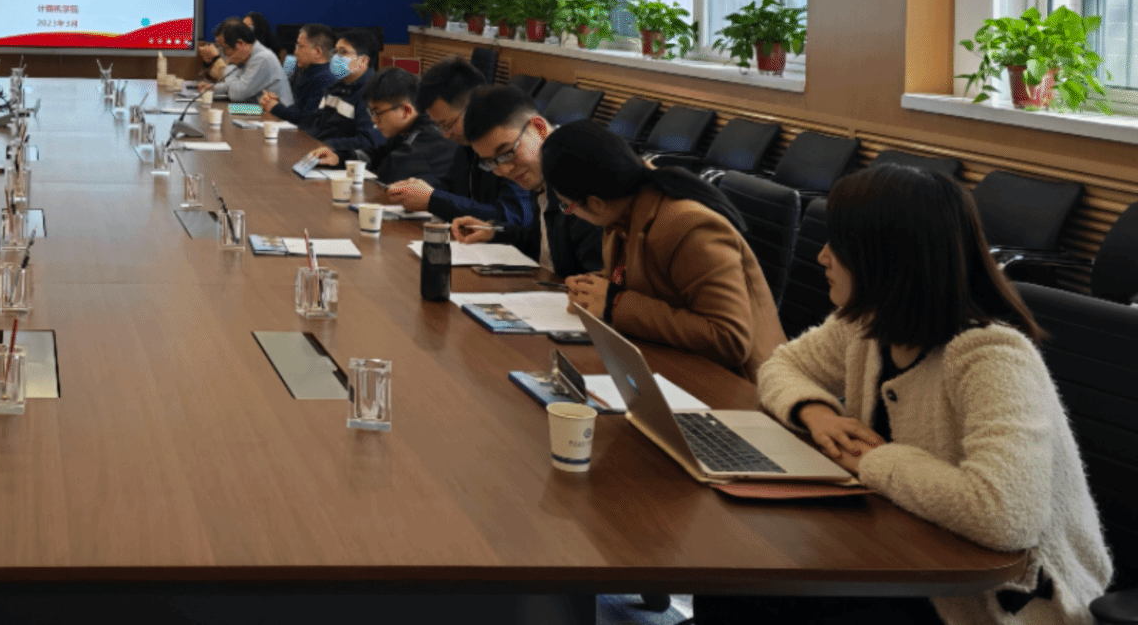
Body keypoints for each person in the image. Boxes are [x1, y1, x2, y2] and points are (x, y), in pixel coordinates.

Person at [699, 166, 1111, 625]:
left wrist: (872, 460)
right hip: (900, 550)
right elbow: (781, 366)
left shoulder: (991, 357)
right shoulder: (867, 324)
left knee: (755, 591)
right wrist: (817, 413)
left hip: (994, 601)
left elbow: (1004, 515)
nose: (821, 256)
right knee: (732, 582)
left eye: (839, 245)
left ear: (885, 257)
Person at [538, 119, 784, 378]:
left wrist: (614, 302)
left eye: (567, 206)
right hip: (672, 361)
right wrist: (594, 286)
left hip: (734, 384)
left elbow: (729, 338)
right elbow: (651, 282)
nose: (569, 213)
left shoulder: (689, 226)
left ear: (595, 203)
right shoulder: (622, 215)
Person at [457, 85, 605, 276]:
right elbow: (546, 245)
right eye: (491, 163)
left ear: (539, 128)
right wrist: (494, 232)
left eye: (507, 153)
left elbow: (596, 278)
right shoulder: (543, 172)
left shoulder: (579, 179)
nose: (504, 170)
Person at [386, 58, 514, 224]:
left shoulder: (510, 144)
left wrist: (434, 199)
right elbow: (453, 190)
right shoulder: (467, 145)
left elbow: (510, 217)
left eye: (447, 125)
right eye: (439, 126)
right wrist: (418, 190)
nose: (445, 135)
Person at [344, 67, 458, 188]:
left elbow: (387, 176)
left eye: (377, 113)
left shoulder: (425, 139)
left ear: (406, 111)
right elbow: (378, 154)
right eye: (371, 113)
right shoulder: (408, 128)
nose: (373, 120)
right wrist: (340, 158)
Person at [299, 27, 384, 160]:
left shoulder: (372, 93)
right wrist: (300, 138)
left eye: (343, 52)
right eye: (335, 52)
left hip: (345, 161)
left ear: (363, 61)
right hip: (319, 153)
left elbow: (367, 141)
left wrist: (326, 145)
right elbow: (314, 122)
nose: (336, 58)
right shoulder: (335, 87)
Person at [258, 23, 338, 129]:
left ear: (318, 52)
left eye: (300, 46)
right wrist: (275, 102)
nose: (295, 52)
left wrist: (275, 107)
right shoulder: (304, 72)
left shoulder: (325, 79)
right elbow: (296, 110)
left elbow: (307, 119)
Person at [209, 17, 291, 105]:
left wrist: (230, 65)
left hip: (276, 112)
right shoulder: (249, 56)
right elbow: (234, 84)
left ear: (240, 44)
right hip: (259, 108)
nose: (225, 54)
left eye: (225, 49)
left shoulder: (262, 58)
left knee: (226, 110)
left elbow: (236, 95)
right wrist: (211, 88)